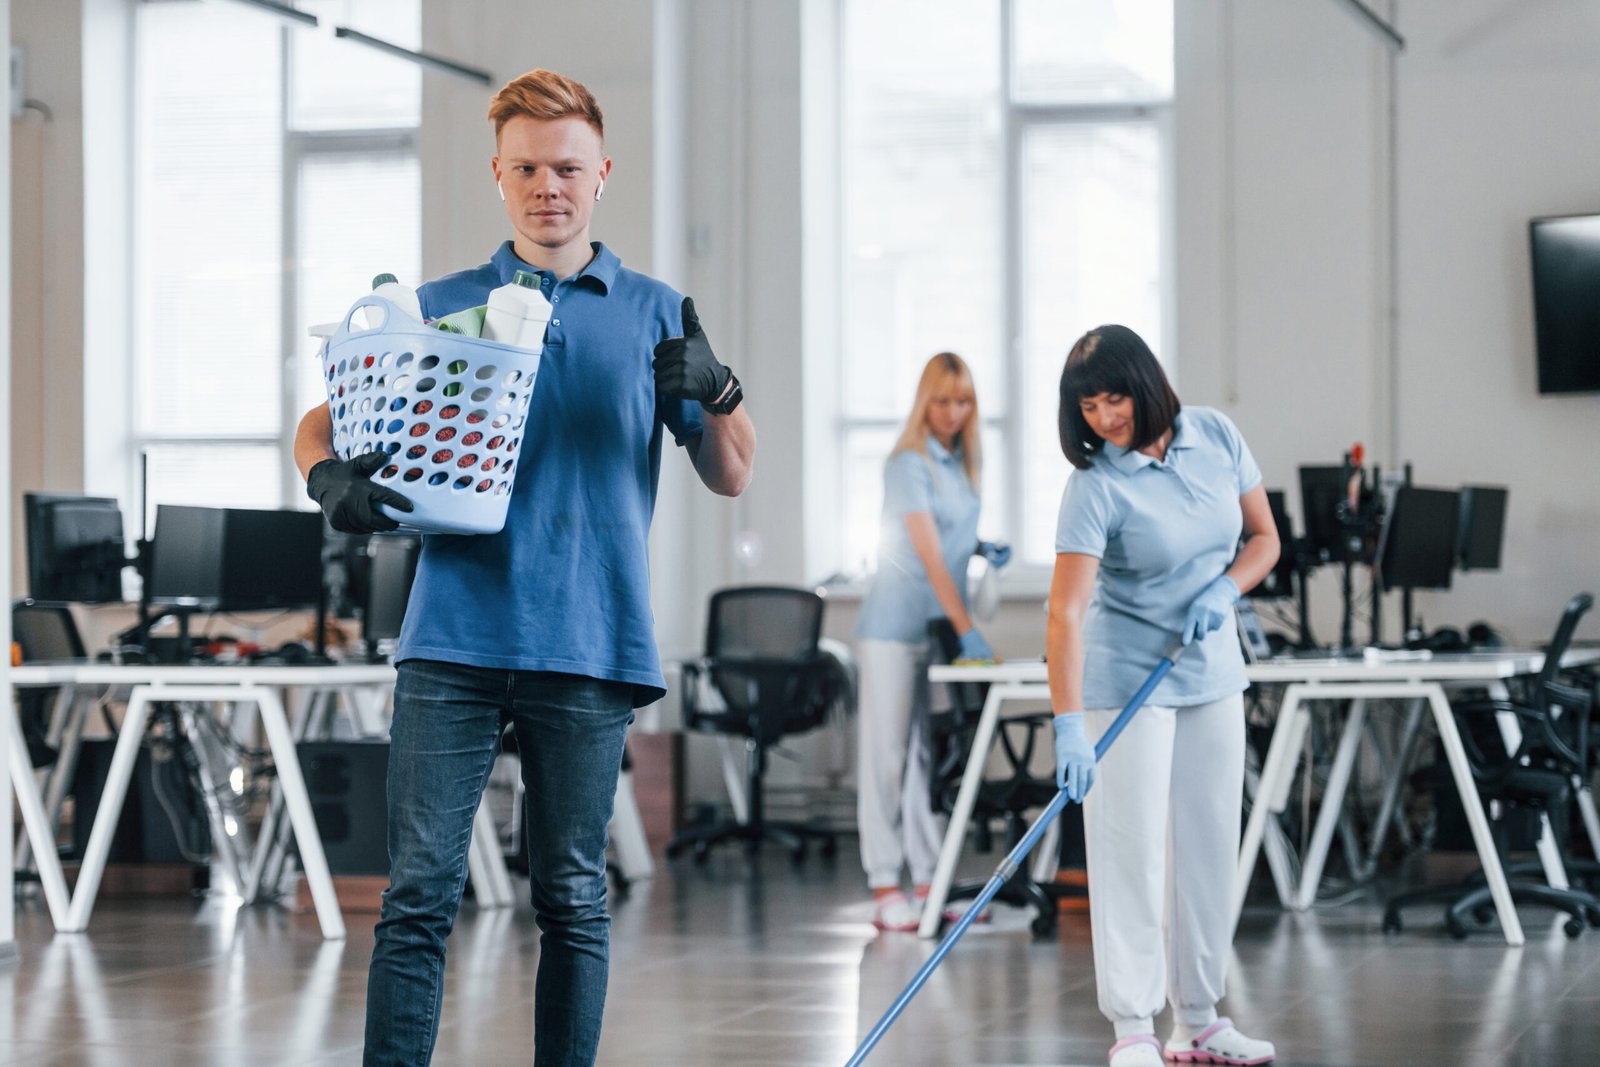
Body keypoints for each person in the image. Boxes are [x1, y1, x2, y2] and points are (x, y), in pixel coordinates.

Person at [293, 69, 755, 1067]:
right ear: (498, 176)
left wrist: (717, 391)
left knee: (572, 896)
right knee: (418, 891)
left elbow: (730, 471)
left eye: (569, 168)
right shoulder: (444, 304)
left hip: (588, 636)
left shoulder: (653, 310)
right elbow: (322, 415)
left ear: (603, 174)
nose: (551, 186)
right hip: (455, 632)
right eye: (529, 168)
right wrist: (324, 474)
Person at [1045, 325, 1280, 1067]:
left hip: (1211, 672)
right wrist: (1069, 724)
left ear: (1146, 384)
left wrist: (1227, 586)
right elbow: (1065, 612)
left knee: (1209, 845)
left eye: (1114, 396)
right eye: (1088, 405)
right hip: (1128, 684)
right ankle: (1134, 1029)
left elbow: (1264, 538)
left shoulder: (1215, 434)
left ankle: (1201, 1020)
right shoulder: (1095, 486)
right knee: (1132, 851)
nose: (1105, 416)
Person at [854, 352, 1011, 932]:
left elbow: (945, 541)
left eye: (963, 401)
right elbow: (922, 552)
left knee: (924, 760)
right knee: (887, 760)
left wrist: (980, 547)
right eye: (942, 400)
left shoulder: (957, 463)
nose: (952, 412)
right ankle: (883, 884)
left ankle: (930, 881)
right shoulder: (907, 464)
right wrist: (969, 628)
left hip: (933, 633)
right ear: (925, 401)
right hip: (892, 631)